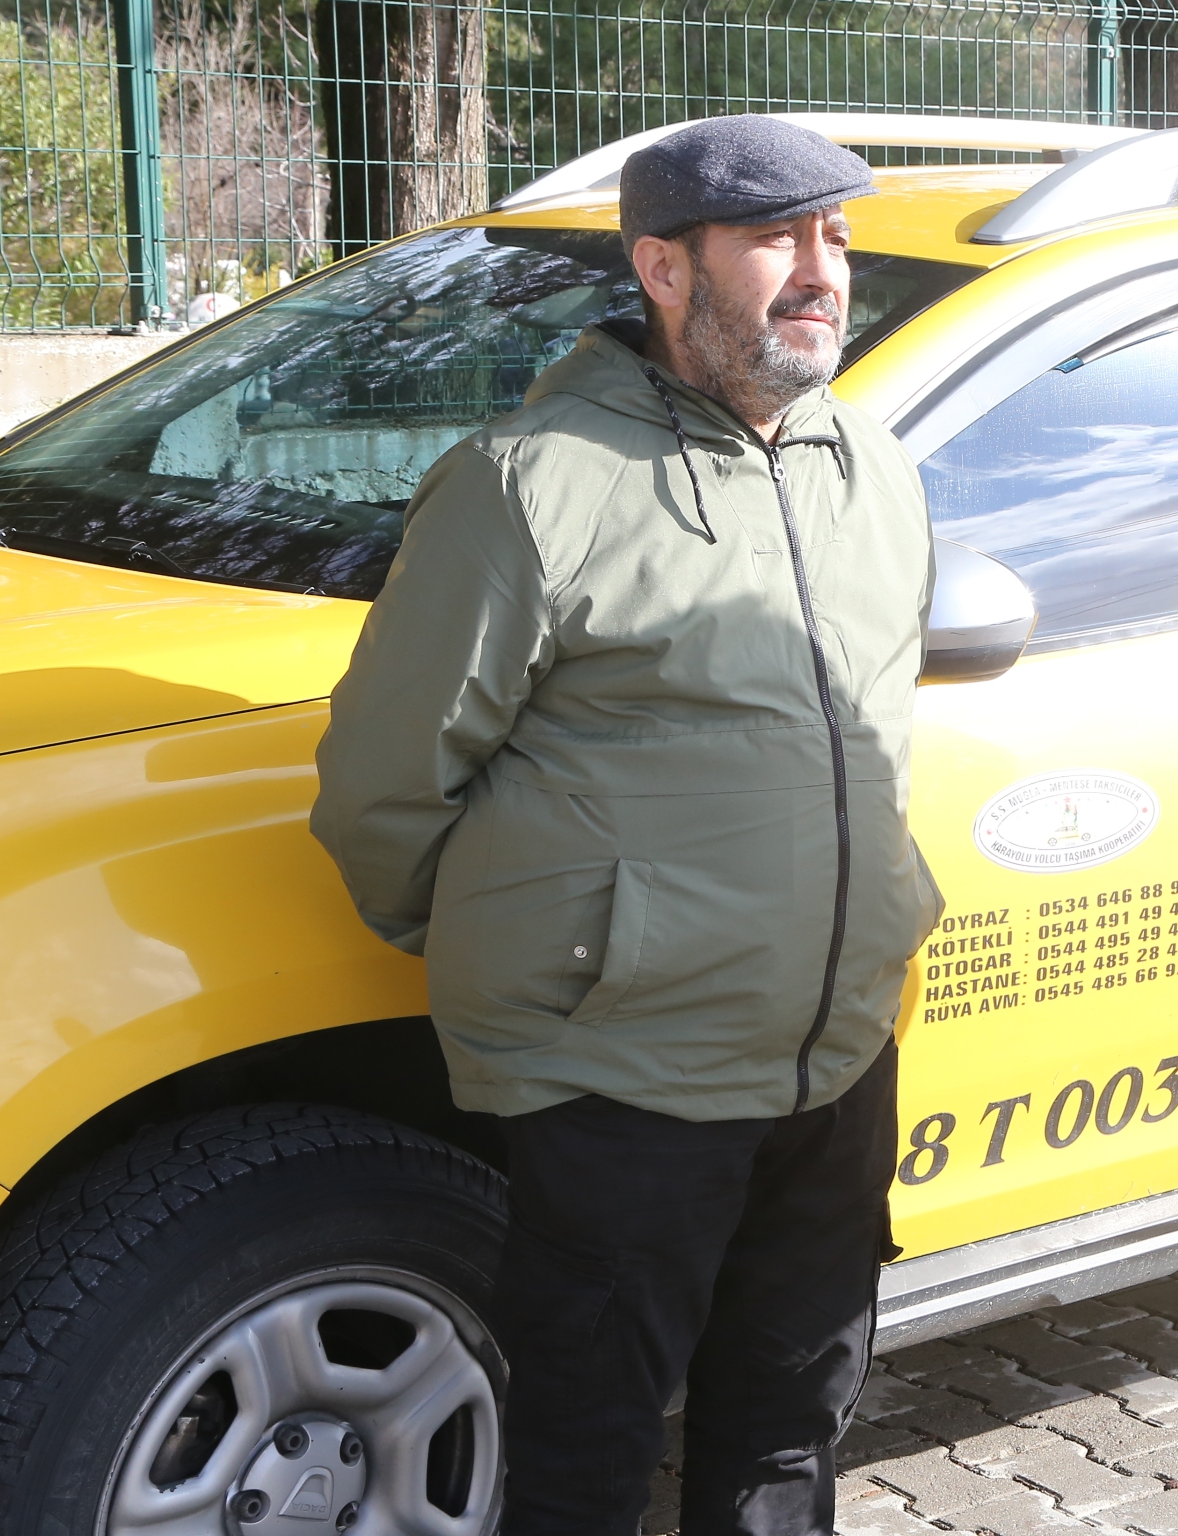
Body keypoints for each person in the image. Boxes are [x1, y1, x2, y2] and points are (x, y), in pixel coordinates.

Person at [311, 115, 943, 1536]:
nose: (821, 269)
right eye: (776, 236)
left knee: (787, 1444)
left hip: (835, 1067)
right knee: (587, 1468)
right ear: (664, 267)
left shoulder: (873, 470)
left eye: (835, 236)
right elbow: (384, 795)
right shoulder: (531, 486)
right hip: (624, 1088)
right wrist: (577, 958)